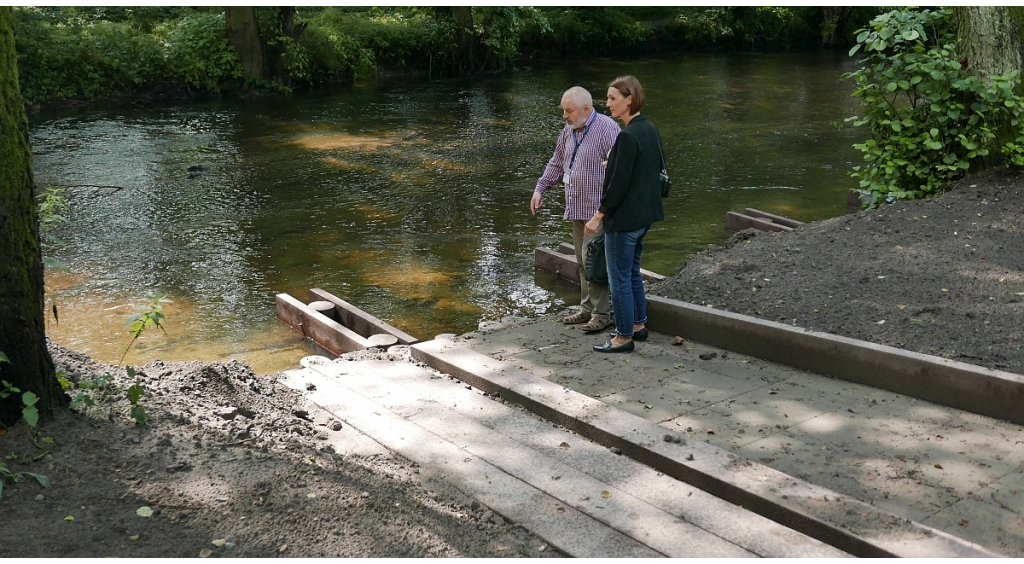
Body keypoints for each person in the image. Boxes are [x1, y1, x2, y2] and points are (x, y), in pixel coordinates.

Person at [585, 75, 665, 353]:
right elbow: (648, 168)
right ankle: (638, 326)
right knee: (631, 272)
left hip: (625, 220)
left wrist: (599, 215)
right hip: (645, 216)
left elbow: (618, 185)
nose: (607, 104)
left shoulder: (627, 135)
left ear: (629, 99)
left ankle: (622, 337)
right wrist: (615, 162)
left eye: (613, 99)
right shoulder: (649, 130)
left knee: (619, 277)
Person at [532, 86, 621, 333]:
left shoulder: (607, 129)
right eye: (563, 111)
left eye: (568, 111)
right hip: (578, 208)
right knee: (583, 262)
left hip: (599, 211)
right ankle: (586, 308)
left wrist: (608, 210)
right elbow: (557, 162)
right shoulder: (568, 131)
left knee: (595, 263)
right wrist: (540, 188)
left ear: (586, 109)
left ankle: (602, 314)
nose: (564, 116)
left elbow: (621, 168)